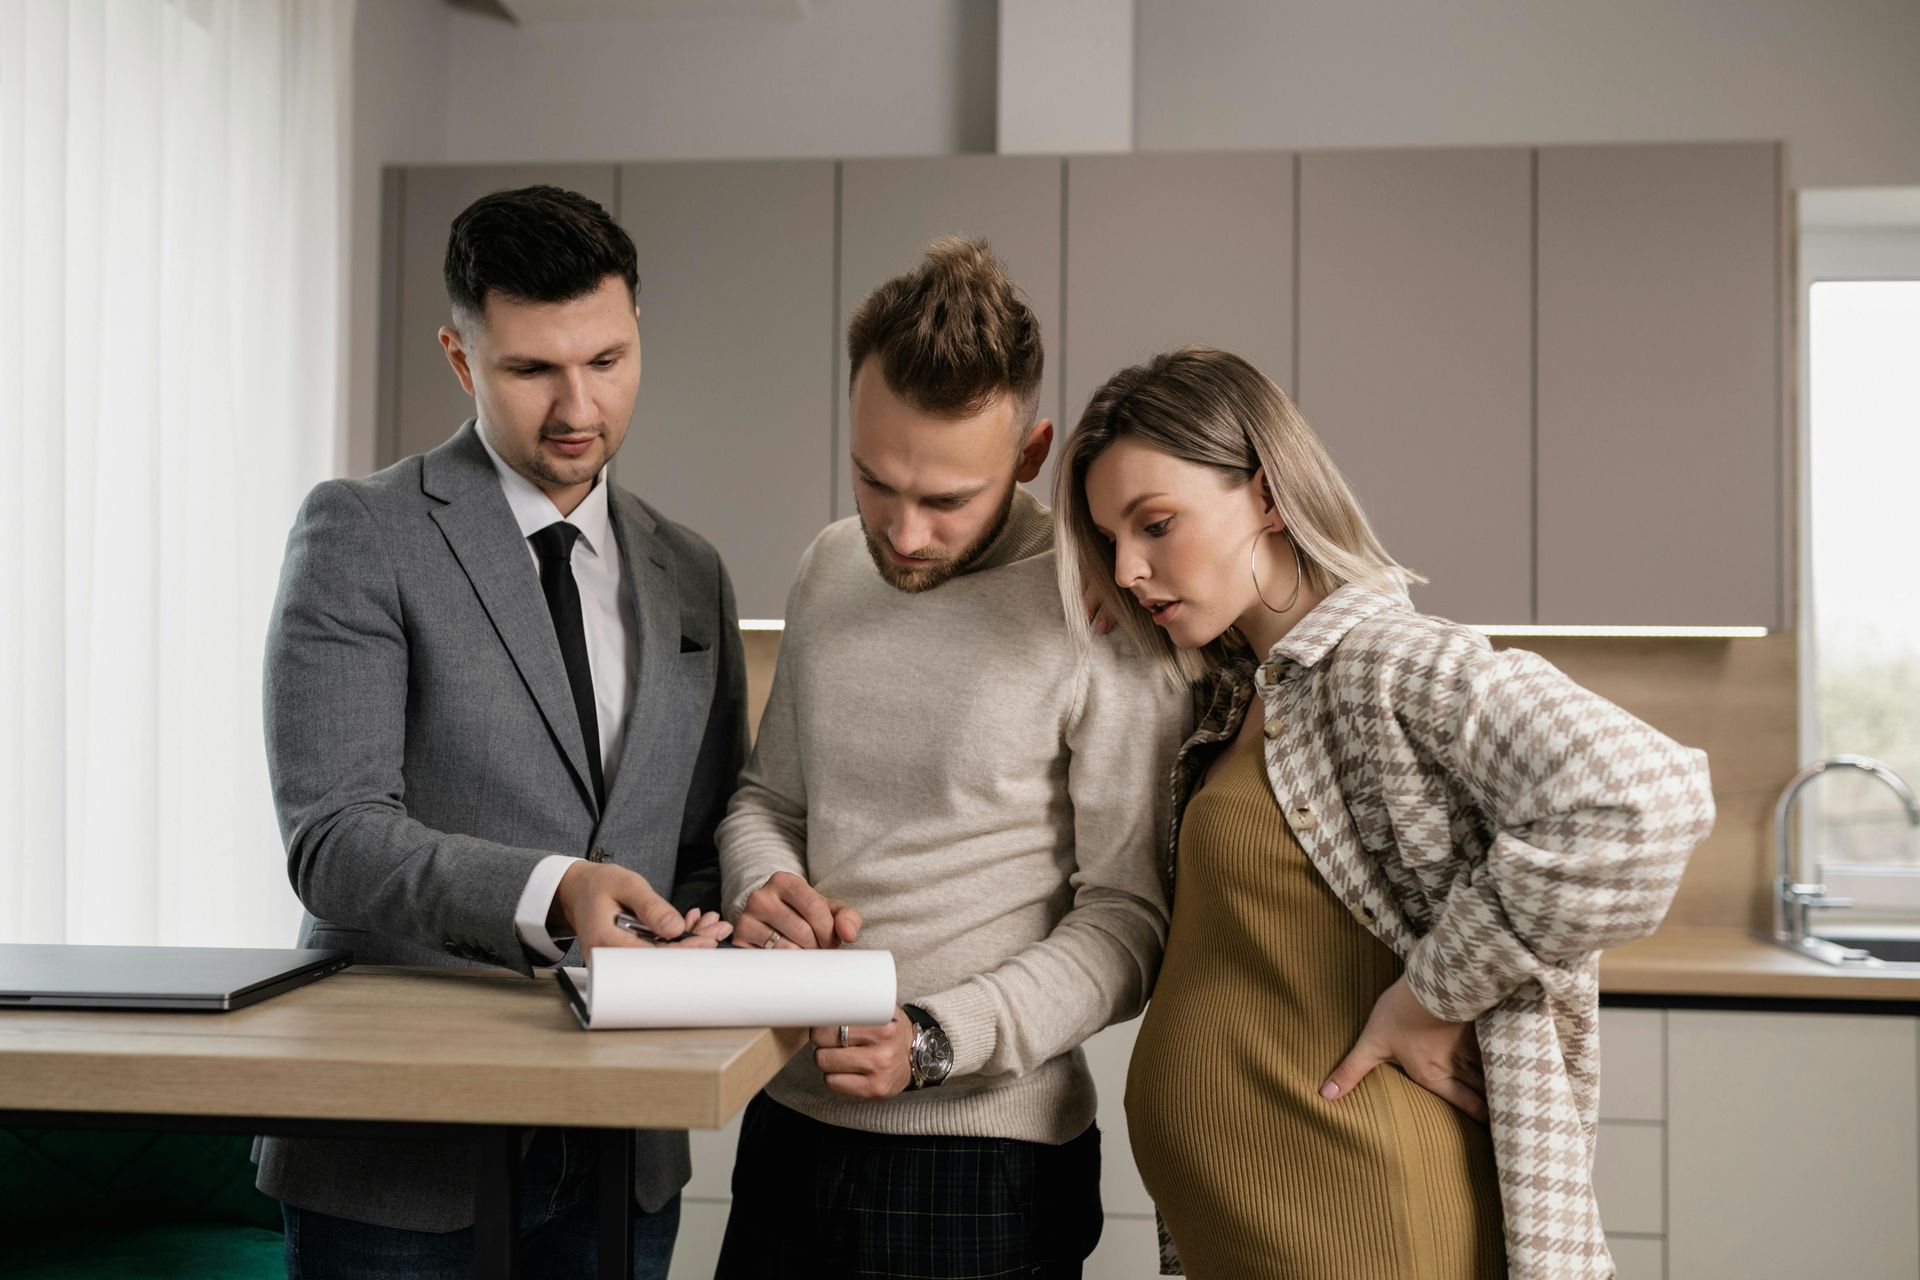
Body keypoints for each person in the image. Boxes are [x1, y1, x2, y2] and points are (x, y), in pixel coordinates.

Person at [1055, 346, 1716, 1280]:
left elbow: (1640, 799)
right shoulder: (1247, 694)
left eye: (1156, 525)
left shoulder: (1383, 663)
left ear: (1270, 493)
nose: (1128, 568)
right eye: (1108, 540)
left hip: (1365, 1218)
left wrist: (1432, 993)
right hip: (1274, 1229)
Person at [257, 184, 745, 1279]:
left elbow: (702, 839)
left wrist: (732, 919)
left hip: (623, 1152)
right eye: (533, 369)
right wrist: (554, 889)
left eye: (608, 360)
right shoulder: (360, 531)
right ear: (461, 356)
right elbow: (332, 836)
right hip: (397, 1158)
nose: (579, 405)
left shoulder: (693, 572)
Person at [711, 237, 1189, 1279]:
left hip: (987, 1163)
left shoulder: (1098, 610)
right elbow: (767, 799)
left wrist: (936, 1035)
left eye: (947, 500)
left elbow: (1129, 920)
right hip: (787, 1120)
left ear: (1031, 453)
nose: (906, 532)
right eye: (876, 481)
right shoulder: (830, 564)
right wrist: (767, 881)